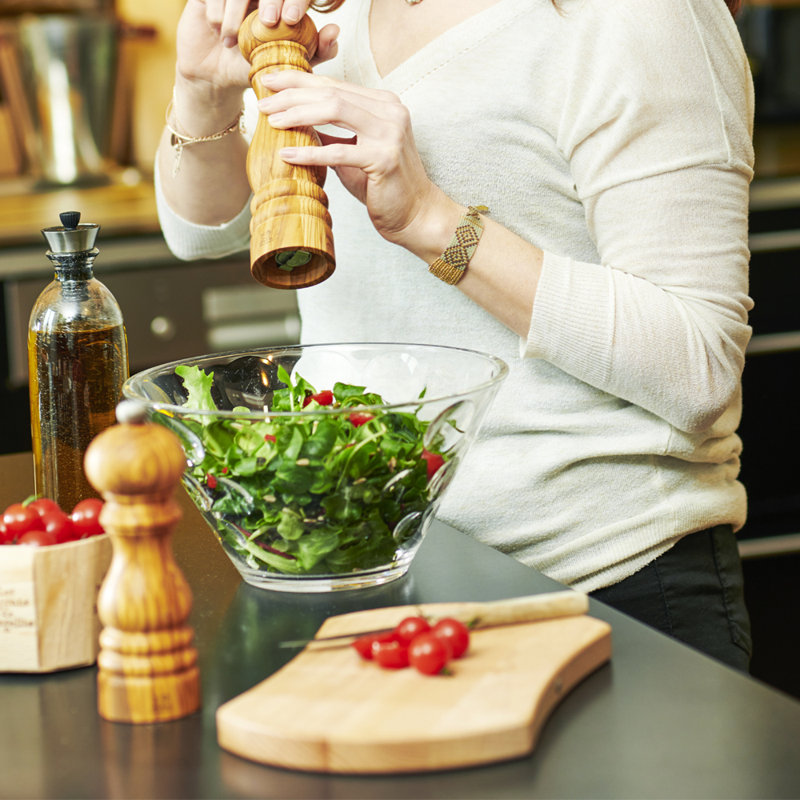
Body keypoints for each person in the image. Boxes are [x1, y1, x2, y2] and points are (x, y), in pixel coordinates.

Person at [156, 0, 754, 671]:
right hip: (363, 574)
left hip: (597, 585)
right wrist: (203, 91)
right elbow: (202, 232)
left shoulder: (642, 17)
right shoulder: (331, 13)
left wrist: (430, 219)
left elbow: (698, 368)